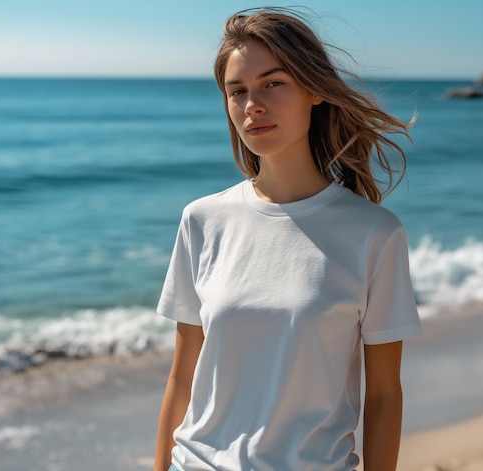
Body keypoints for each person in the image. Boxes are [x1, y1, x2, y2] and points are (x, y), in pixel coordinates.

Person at [154, 7, 421, 471]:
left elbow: (382, 395)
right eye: (237, 91)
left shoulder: (375, 234)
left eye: (272, 83)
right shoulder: (202, 220)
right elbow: (181, 378)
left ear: (314, 89)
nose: (252, 104)